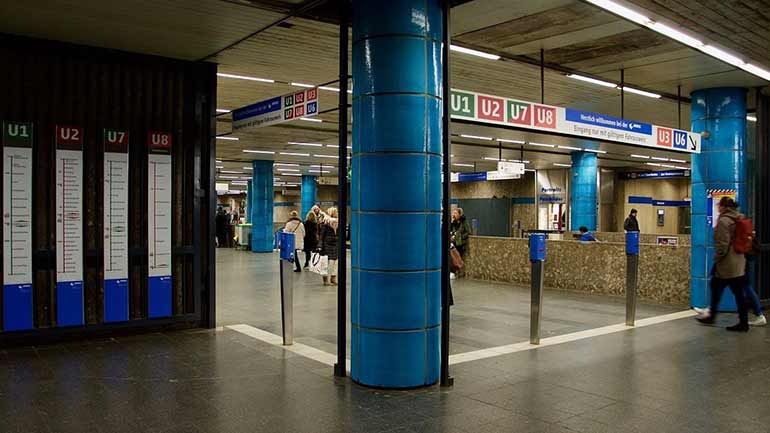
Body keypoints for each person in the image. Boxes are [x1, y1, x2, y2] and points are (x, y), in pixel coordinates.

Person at [696, 197, 749, 332]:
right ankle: (740, 321)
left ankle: (741, 323)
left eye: (719, 205)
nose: (718, 207)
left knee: (720, 288)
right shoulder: (738, 217)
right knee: (734, 291)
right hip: (739, 261)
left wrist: (717, 257)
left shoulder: (724, 221)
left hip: (727, 263)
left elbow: (722, 244)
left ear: (724, 207)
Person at [319, 207, 339, 286]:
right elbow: (321, 235)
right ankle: (325, 280)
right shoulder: (326, 223)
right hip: (327, 245)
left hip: (336, 245)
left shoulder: (338, 223)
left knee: (335, 263)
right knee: (326, 264)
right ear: (332, 213)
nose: (337, 213)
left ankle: (333, 278)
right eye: (336, 211)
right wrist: (320, 245)